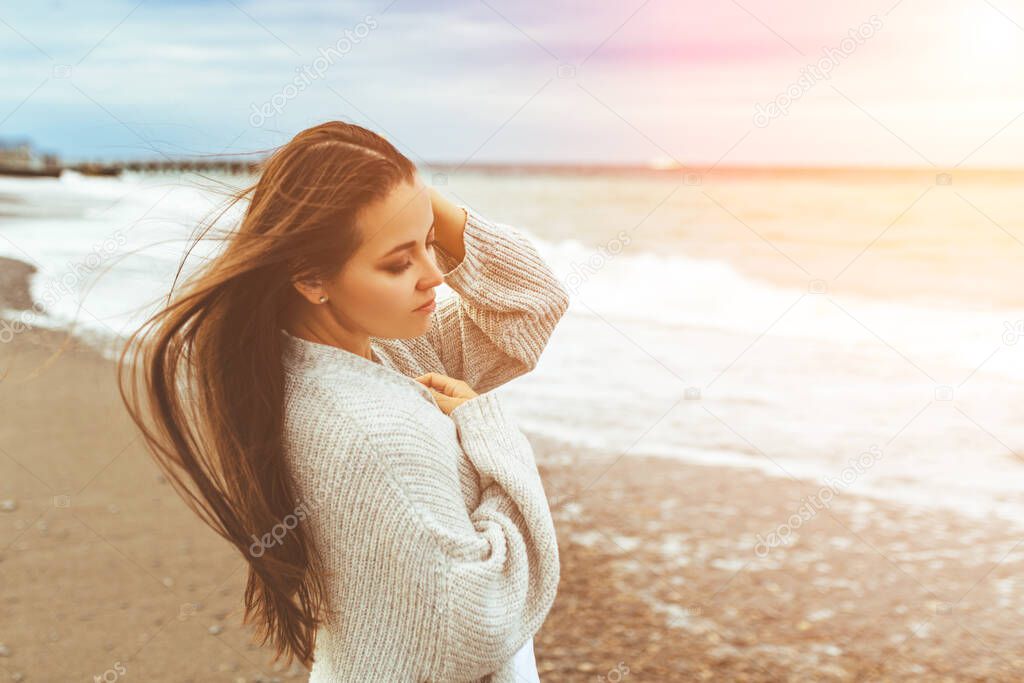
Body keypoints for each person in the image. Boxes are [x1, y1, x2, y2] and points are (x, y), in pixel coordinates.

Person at [119, 121, 569, 681]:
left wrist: (396, 190)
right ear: (310, 278)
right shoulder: (373, 432)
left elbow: (531, 307)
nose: (435, 276)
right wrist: (488, 426)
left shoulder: (358, 355)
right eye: (398, 262)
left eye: (431, 243)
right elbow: (482, 621)